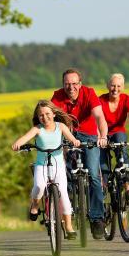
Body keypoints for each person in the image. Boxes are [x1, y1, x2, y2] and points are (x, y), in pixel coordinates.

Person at [51, 68, 108, 240]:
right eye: (67, 84)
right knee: (62, 175)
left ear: (80, 84)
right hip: (67, 135)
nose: (71, 87)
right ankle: (66, 213)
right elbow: (49, 118)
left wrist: (103, 136)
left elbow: (99, 116)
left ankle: (97, 219)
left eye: (74, 83)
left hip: (88, 134)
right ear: (63, 84)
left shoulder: (89, 93)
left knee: (94, 175)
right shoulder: (57, 96)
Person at [12, 100, 81, 240]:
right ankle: (35, 204)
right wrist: (18, 144)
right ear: (38, 117)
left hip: (58, 166)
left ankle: (68, 226)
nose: (45, 117)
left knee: (63, 194)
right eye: (41, 115)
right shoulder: (37, 129)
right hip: (41, 165)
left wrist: (75, 141)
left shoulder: (61, 126)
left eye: (47, 114)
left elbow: (71, 138)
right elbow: (25, 138)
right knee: (39, 186)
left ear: (54, 114)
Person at [99, 73, 129, 185]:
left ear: (123, 87)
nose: (115, 89)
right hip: (101, 134)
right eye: (113, 85)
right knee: (102, 161)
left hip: (118, 132)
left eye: (119, 86)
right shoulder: (100, 100)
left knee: (122, 149)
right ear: (108, 86)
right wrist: (100, 137)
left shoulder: (127, 100)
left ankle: (127, 183)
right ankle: (105, 185)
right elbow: (96, 121)